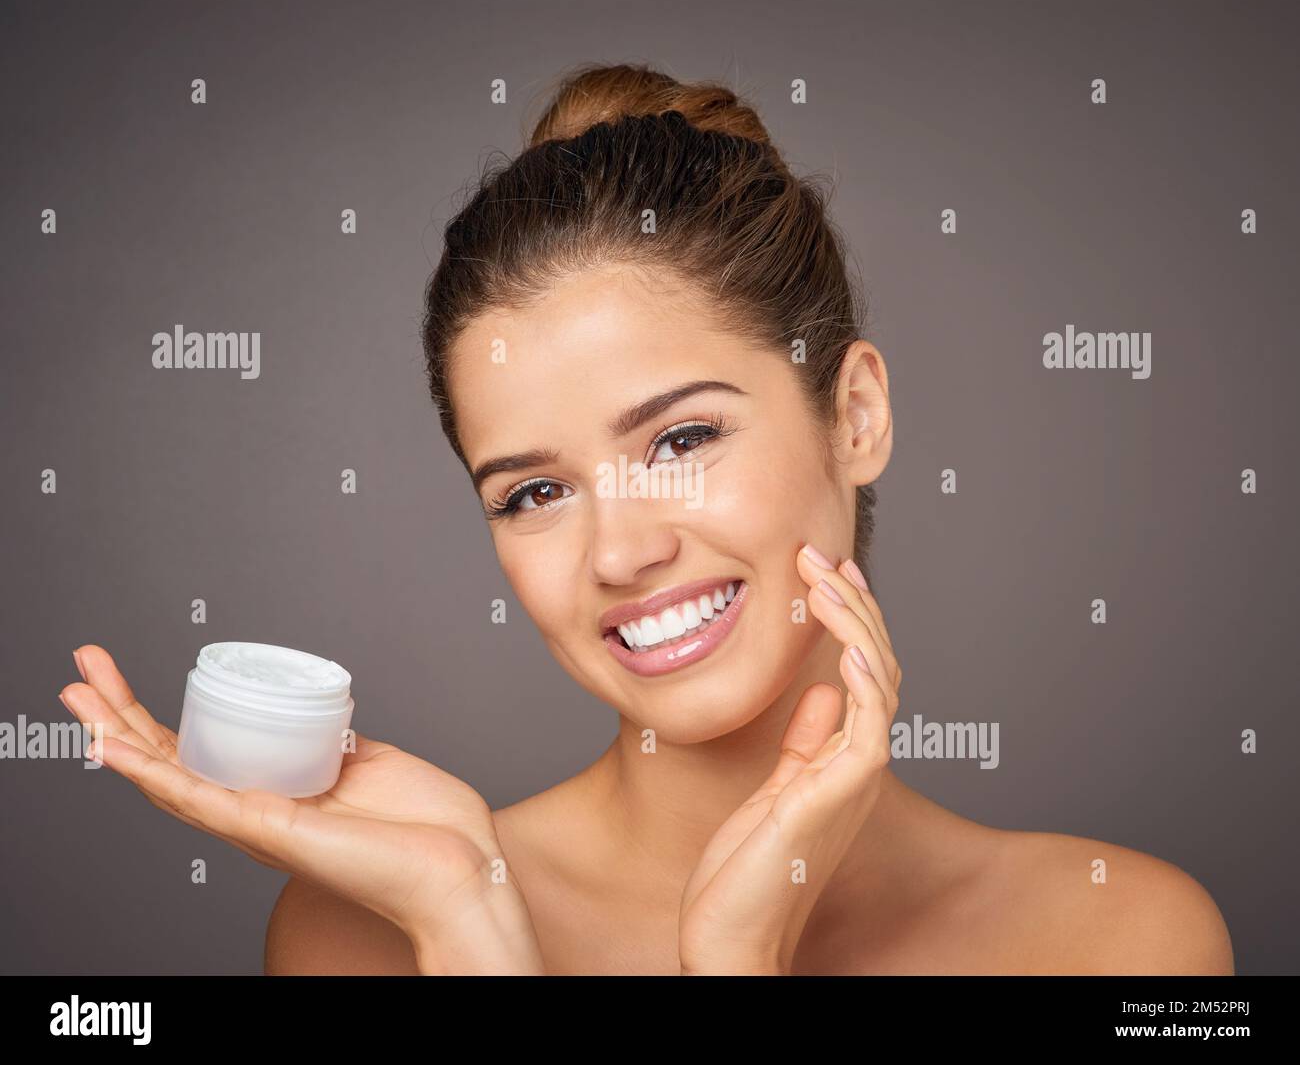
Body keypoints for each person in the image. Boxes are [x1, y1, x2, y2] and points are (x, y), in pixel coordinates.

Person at [60, 63, 1233, 976]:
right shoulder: (367, 931)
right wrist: (472, 927)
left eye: (680, 440)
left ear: (856, 414)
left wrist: (734, 960)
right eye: (535, 493)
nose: (619, 552)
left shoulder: (1122, 937)